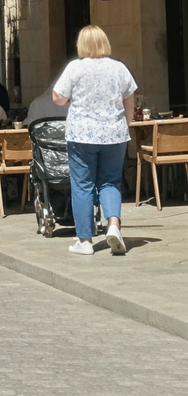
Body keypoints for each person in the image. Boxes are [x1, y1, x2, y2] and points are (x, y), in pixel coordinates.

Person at [52, 25, 136, 258]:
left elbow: (57, 97)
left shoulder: (75, 68)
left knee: (83, 185)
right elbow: (130, 101)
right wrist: (124, 125)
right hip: (114, 134)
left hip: (82, 134)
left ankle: (85, 240)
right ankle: (113, 225)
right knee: (110, 182)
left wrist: (73, 103)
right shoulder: (119, 68)